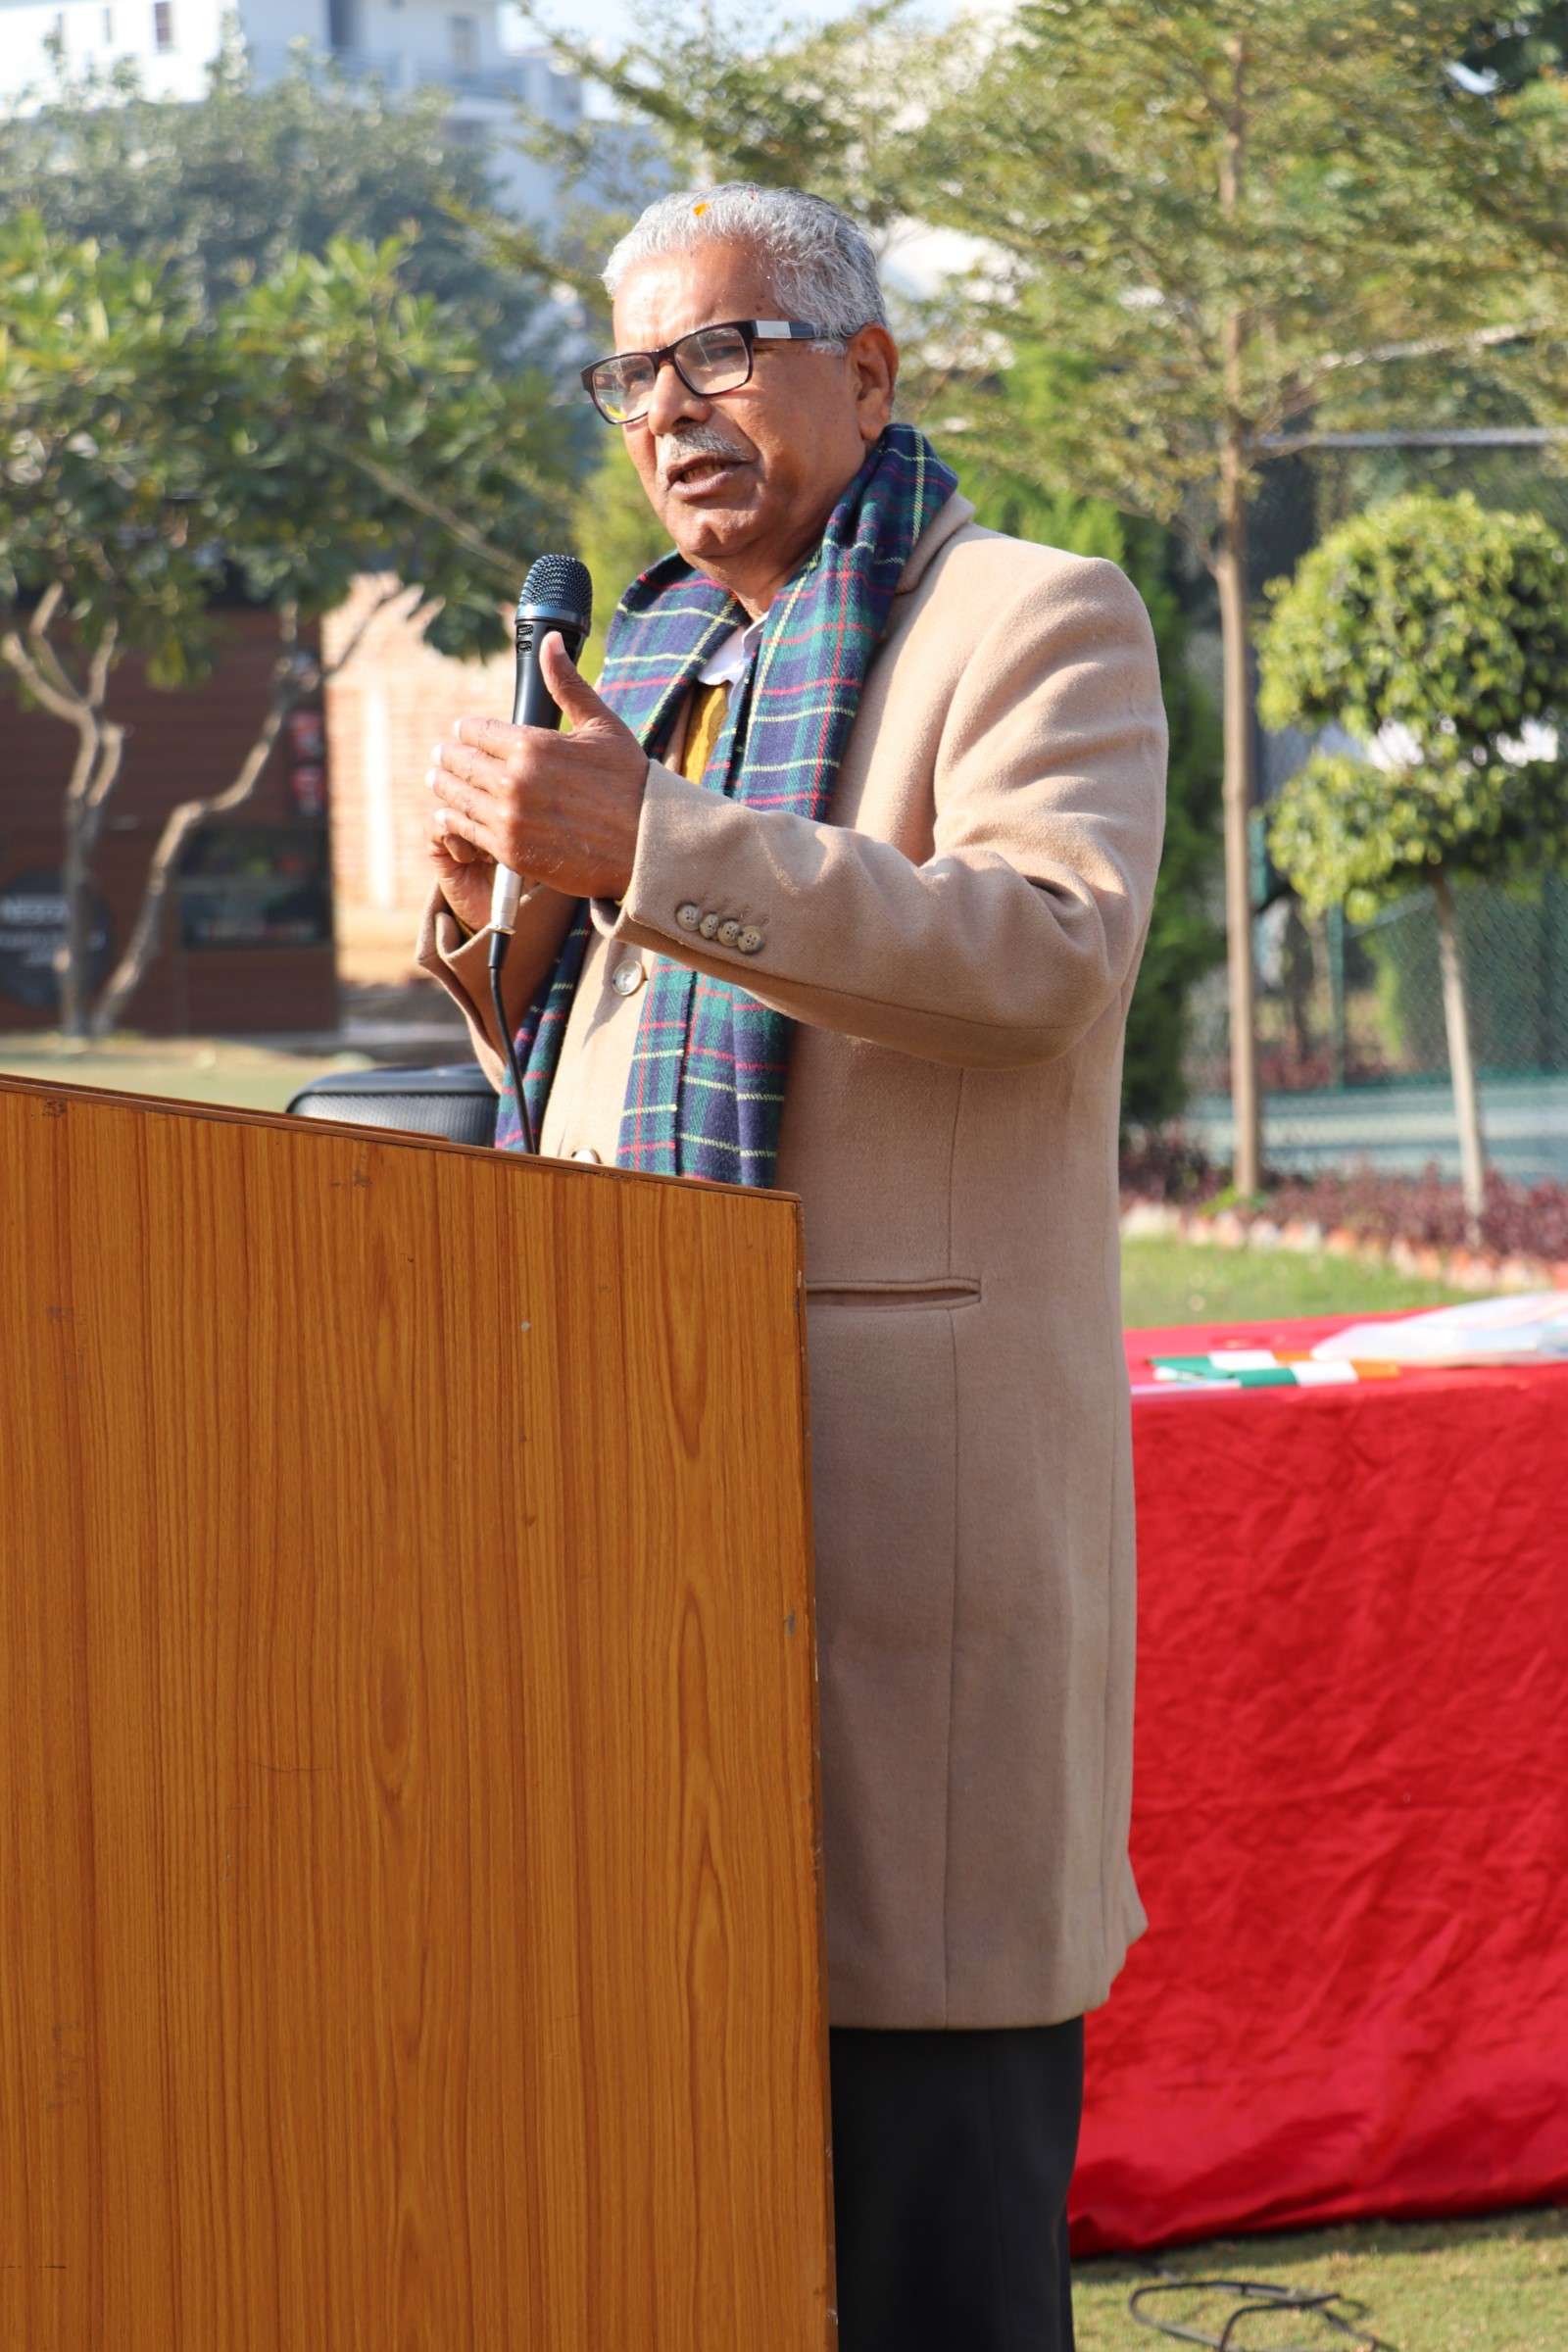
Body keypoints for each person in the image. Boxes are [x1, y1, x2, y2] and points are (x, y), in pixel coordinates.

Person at [419, 181, 1167, 2351]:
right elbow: (584, 1034)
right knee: (674, 2197)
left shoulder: (1028, 616)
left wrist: (640, 843)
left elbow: (1046, 951)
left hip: (891, 1502)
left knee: (923, 2206)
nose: (672, 409)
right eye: (632, 374)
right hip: (632, 1487)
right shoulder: (647, 664)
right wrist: (492, 895)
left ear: (868, 370)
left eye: (722, 352)